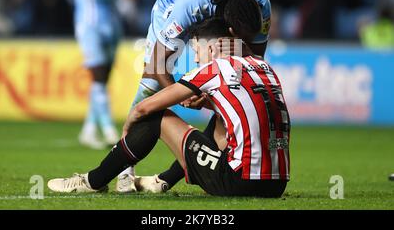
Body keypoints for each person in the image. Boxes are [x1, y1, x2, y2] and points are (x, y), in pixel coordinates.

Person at [47, 18, 290, 197]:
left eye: (197, 51)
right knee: (219, 120)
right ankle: (162, 181)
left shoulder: (214, 69)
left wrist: (130, 122)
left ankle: (93, 180)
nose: (196, 59)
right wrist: (210, 104)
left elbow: (146, 107)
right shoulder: (263, 67)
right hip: (276, 184)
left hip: (240, 181)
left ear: (213, 48)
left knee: (155, 116)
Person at [117, 0, 272, 192]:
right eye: (241, 42)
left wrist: (214, 98)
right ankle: (123, 168)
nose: (243, 48)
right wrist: (183, 94)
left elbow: (251, 67)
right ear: (230, 33)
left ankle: (167, 178)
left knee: (232, 88)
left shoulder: (262, 7)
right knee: (150, 85)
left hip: (213, 0)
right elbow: (158, 64)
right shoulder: (189, 6)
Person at [5, 0, 130, 149]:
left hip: (112, 23)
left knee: (103, 80)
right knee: (98, 76)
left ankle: (89, 130)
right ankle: (110, 131)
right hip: (87, 24)